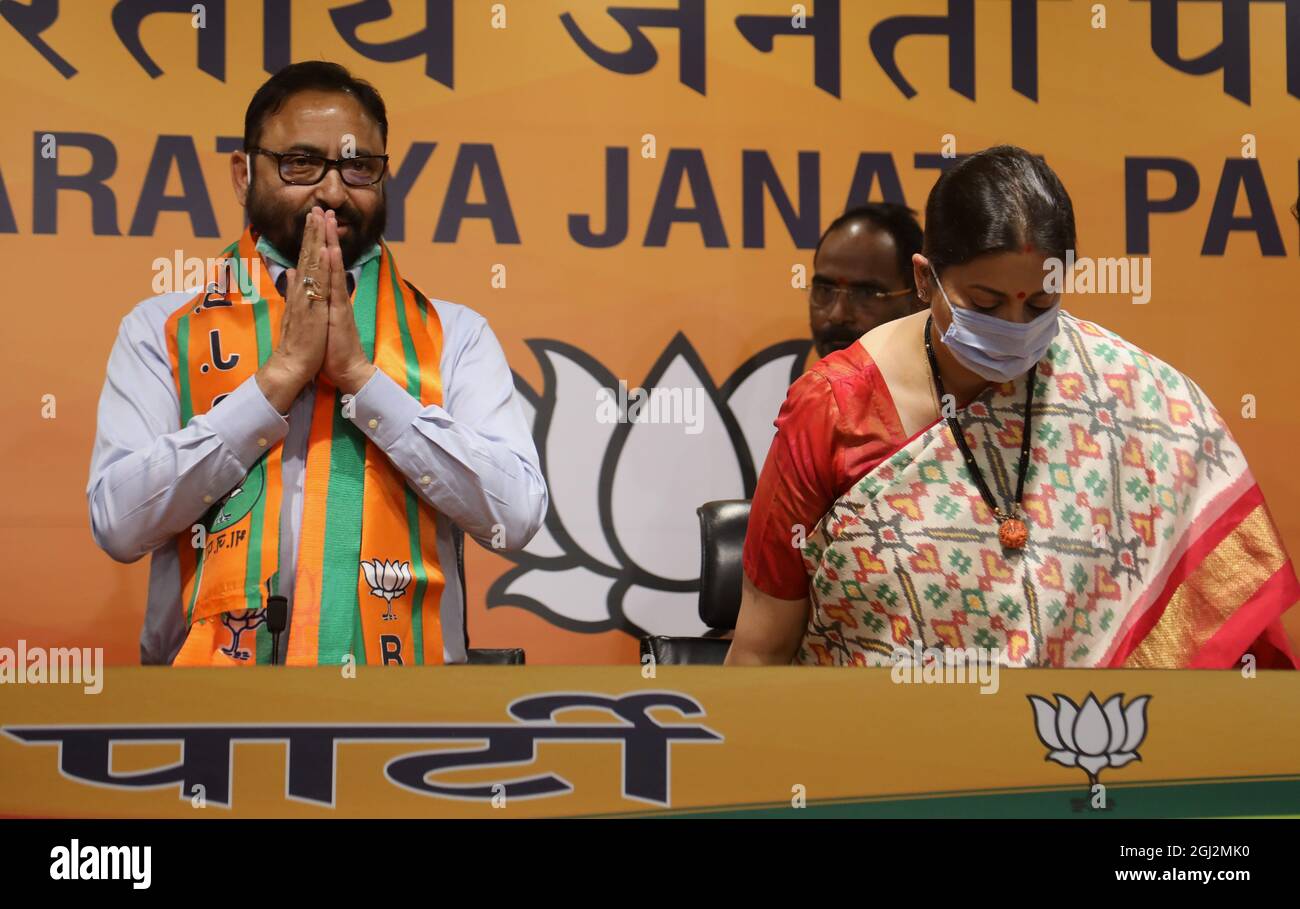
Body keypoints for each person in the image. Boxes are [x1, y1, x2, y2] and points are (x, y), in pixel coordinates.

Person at [728, 145, 1299, 668]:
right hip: (879, 760)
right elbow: (760, 649)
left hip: (1082, 753)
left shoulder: (1137, 400)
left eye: (1041, 302)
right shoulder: (833, 410)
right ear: (926, 281)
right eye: (985, 302)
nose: (1014, 327)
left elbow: (1225, 638)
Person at [87, 62, 547, 666]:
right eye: (300, 163)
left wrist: (362, 379)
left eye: (358, 166)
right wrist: (276, 382)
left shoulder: (453, 334)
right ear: (243, 172)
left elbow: (513, 518)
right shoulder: (161, 330)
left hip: (408, 713)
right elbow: (119, 524)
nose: (333, 191)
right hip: (203, 712)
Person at [808, 203, 924, 360]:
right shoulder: (806, 384)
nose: (837, 315)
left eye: (864, 294)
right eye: (825, 290)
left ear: (919, 299)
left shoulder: (949, 383)